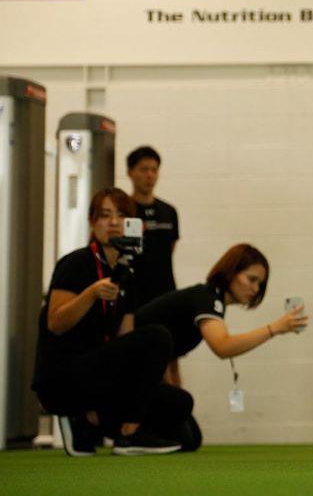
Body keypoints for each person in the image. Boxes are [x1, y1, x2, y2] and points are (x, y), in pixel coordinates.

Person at [32, 187, 194, 457]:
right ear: (92, 222)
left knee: (181, 408)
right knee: (158, 336)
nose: (114, 222)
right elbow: (56, 324)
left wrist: (136, 389)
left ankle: (93, 423)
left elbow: (126, 341)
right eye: (105, 215)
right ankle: (128, 435)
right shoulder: (76, 263)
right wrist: (91, 293)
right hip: (63, 378)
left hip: (98, 376)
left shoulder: (125, 274)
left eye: (121, 216)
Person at [135, 243, 308, 375]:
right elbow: (223, 347)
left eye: (260, 284)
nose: (256, 289)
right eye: (251, 279)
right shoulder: (206, 297)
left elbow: (163, 357)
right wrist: (274, 328)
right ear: (231, 272)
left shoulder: (211, 299)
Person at [127, 145, 183, 385]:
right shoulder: (124, 212)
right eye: (144, 169)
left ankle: (176, 405)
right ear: (130, 172)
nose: (150, 175)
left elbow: (170, 249)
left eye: (154, 169)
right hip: (136, 297)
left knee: (171, 358)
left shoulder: (169, 212)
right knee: (139, 360)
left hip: (165, 293)